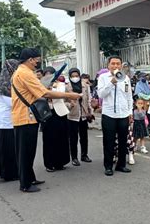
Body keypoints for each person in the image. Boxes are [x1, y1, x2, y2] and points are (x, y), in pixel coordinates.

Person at [12, 48, 82, 193]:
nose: (38, 63)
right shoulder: (25, 73)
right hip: (25, 117)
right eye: (37, 59)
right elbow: (44, 92)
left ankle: (30, 178)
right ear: (30, 59)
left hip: (25, 116)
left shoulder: (21, 72)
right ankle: (25, 184)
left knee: (29, 151)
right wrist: (68, 95)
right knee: (25, 152)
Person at [98, 56, 134, 176]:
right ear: (108, 65)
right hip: (109, 114)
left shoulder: (126, 78)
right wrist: (111, 82)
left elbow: (129, 96)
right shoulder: (103, 77)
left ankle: (121, 165)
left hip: (123, 114)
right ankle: (108, 166)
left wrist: (130, 112)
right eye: (113, 64)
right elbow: (101, 94)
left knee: (123, 141)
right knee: (109, 141)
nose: (116, 66)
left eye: (118, 64)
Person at [42, 74, 71, 172]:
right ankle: (49, 164)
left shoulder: (62, 85)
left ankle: (60, 162)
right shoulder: (41, 86)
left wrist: (68, 105)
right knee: (49, 139)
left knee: (62, 138)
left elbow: (68, 99)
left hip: (61, 114)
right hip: (48, 114)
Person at [66, 68, 93, 167]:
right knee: (73, 138)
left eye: (76, 76)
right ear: (69, 77)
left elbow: (89, 99)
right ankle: (74, 158)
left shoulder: (85, 86)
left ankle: (84, 155)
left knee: (84, 136)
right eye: (72, 76)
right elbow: (64, 101)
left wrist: (90, 111)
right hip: (72, 116)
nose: (75, 78)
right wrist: (70, 105)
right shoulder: (67, 87)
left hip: (83, 115)